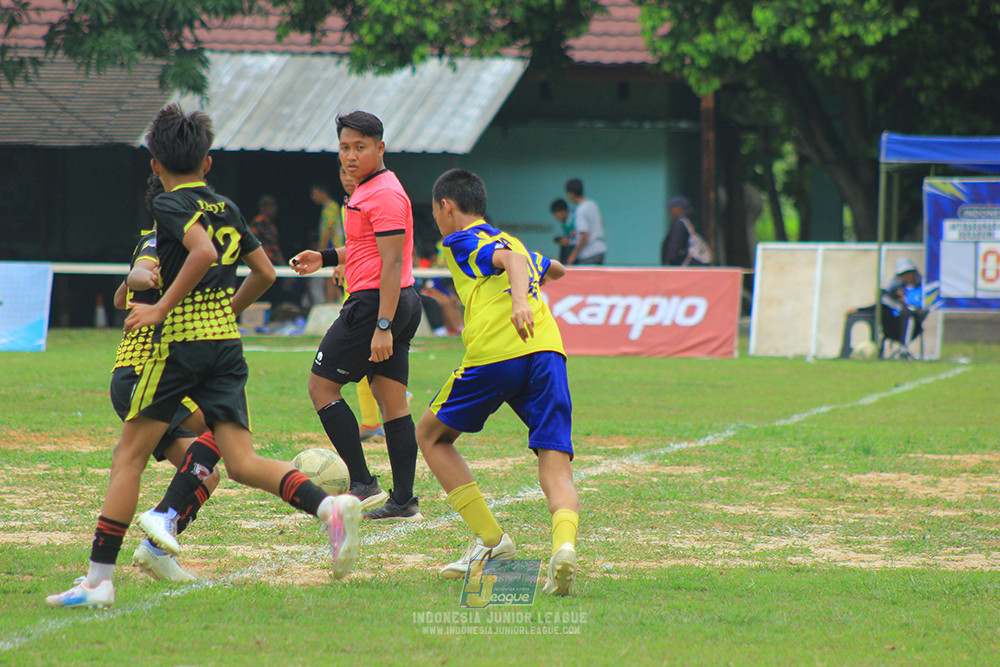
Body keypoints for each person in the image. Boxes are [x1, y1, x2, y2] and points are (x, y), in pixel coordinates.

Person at [46, 104, 361, 610]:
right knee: (241, 462)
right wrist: (225, 312)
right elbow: (265, 273)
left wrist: (161, 308)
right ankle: (330, 508)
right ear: (208, 163)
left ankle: (99, 581)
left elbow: (203, 254)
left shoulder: (168, 205)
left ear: (155, 164)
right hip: (225, 347)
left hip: (181, 347)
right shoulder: (226, 207)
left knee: (128, 457)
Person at [417, 168, 580, 596]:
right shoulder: (512, 240)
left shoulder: (461, 240)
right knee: (555, 461)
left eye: (435, 212)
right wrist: (538, 273)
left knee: (430, 436)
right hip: (548, 352)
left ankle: (492, 541)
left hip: (499, 353)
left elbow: (511, 263)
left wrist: (519, 301)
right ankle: (564, 547)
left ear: (446, 207)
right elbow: (555, 268)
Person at [289, 110, 424, 522]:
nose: (350, 156)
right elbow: (367, 247)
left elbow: (392, 261)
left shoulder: (382, 193)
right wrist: (326, 257)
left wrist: (382, 325)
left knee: (321, 387)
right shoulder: (369, 189)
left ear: (379, 148)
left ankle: (363, 483)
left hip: (374, 305)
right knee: (392, 402)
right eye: (345, 147)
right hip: (395, 301)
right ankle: (403, 502)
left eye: (360, 147)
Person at [108, 174, 221, 583]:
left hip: (148, 377)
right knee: (220, 428)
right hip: (143, 374)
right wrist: (142, 278)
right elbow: (140, 275)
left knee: (206, 472)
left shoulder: (172, 246)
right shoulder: (157, 242)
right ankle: (152, 528)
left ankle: (156, 549)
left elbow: (120, 298)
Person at [882, 257, 928, 346]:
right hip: (894, 324)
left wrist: (905, 300)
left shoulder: (921, 290)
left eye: (909, 273)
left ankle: (904, 347)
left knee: (907, 314)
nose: (907, 277)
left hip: (913, 323)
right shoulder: (897, 290)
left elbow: (921, 308)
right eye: (903, 274)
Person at [311, 182, 344, 303]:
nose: (313, 197)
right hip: (330, 246)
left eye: (314, 194)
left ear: (322, 192)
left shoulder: (331, 207)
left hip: (332, 246)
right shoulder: (327, 207)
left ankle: (331, 301)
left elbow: (329, 229)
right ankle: (337, 299)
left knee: (329, 276)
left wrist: (322, 249)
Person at [564, 178, 606, 265]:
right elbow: (600, 223)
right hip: (600, 250)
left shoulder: (580, 210)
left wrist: (573, 254)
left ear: (571, 194)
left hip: (588, 253)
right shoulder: (592, 204)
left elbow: (584, 234)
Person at [661, 195, 711, 266]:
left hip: (687, 263)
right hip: (697, 261)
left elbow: (675, 243)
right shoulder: (691, 222)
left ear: (679, 209)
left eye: (672, 209)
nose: (671, 212)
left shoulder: (680, 223)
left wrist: (669, 260)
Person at [549, 198, 576, 264]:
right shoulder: (564, 222)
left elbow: (580, 237)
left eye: (556, 214)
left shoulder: (575, 219)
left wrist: (569, 241)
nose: (556, 217)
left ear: (563, 211)